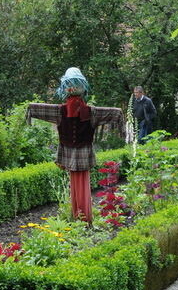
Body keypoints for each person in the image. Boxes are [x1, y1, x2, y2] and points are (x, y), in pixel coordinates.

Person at [27, 68, 124, 223]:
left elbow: (35, 108)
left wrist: (30, 111)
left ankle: (78, 214)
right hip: (84, 151)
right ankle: (84, 215)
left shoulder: (60, 111)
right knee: (83, 184)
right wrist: (121, 128)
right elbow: (115, 113)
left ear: (66, 89)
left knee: (74, 183)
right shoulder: (91, 111)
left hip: (68, 150)